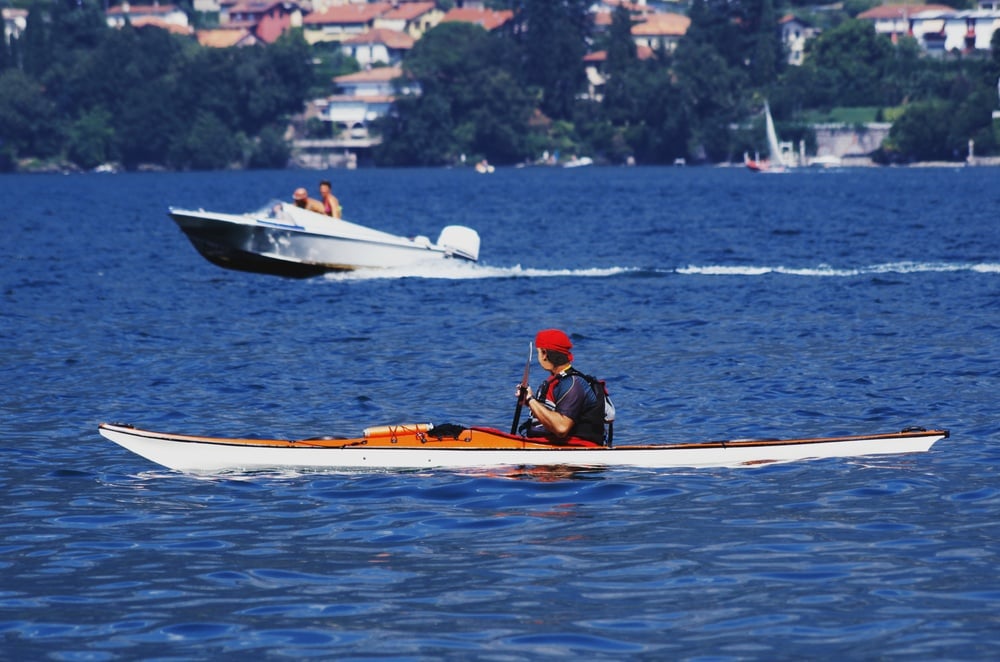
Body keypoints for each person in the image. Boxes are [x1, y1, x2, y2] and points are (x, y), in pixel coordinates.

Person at [516, 329, 606, 445]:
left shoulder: (573, 383)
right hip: (544, 445)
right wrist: (528, 402)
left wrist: (531, 400)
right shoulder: (557, 381)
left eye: (538, 352)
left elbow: (561, 428)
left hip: (576, 450)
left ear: (544, 354)